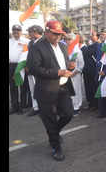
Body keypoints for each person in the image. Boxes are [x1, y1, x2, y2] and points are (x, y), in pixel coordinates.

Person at [27, 20, 75, 161]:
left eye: (59, 34)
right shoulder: (37, 47)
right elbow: (34, 69)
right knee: (50, 120)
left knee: (68, 114)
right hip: (46, 90)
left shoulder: (62, 46)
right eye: (54, 34)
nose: (58, 37)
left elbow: (64, 64)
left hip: (63, 87)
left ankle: (54, 132)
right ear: (47, 32)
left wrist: (70, 67)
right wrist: (57, 72)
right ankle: (56, 147)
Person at [9, 24, 30, 115]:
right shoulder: (9, 41)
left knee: (22, 87)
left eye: (17, 30)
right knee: (13, 87)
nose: (15, 32)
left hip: (21, 66)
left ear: (21, 32)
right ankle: (14, 106)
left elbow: (29, 54)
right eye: (14, 30)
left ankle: (22, 106)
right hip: (11, 66)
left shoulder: (26, 41)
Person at [65, 32, 85, 116]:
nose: (67, 41)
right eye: (66, 39)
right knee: (70, 91)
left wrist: (74, 73)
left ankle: (77, 107)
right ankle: (72, 106)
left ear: (73, 40)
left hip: (75, 74)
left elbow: (81, 64)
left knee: (76, 90)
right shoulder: (66, 49)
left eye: (69, 39)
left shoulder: (77, 51)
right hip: (68, 74)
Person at [25, 25, 44, 116]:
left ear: (35, 32)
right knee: (33, 89)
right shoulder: (30, 43)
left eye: (30, 32)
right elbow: (29, 56)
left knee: (41, 89)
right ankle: (36, 107)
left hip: (39, 71)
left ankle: (43, 107)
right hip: (30, 70)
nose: (29, 34)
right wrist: (27, 65)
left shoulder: (44, 42)